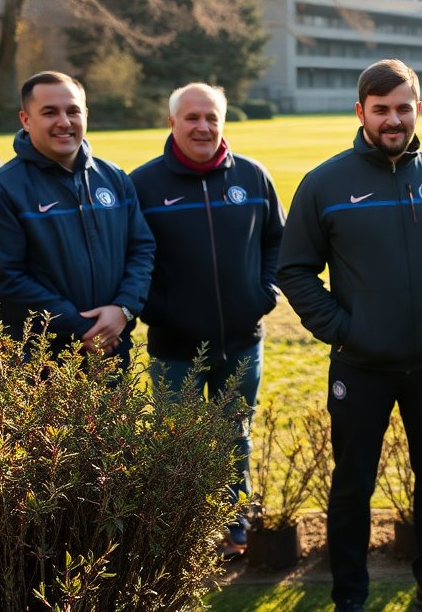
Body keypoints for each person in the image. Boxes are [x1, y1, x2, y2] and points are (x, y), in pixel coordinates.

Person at [277, 59, 422, 612]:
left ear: (418, 109)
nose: (392, 120)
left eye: (403, 108)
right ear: (361, 113)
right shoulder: (325, 183)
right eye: (381, 110)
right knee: (352, 487)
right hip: (360, 366)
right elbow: (295, 269)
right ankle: (350, 598)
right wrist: (343, 330)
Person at [130, 82, 286, 557]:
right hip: (174, 347)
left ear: (222, 121)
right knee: (175, 442)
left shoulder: (254, 178)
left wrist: (263, 294)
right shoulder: (143, 184)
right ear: (173, 122)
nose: (203, 126)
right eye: (192, 117)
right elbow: (131, 257)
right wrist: (160, 310)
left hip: (242, 340)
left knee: (235, 434)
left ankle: (233, 521)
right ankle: (183, 530)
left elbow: (278, 243)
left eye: (211, 117)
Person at [0, 71, 155, 365]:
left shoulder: (114, 178)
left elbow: (141, 248)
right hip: (41, 358)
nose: (64, 122)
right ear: (26, 119)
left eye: (73, 111)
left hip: (113, 349)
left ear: (86, 115)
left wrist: (123, 308)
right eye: (49, 112)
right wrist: (82, 329)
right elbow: (2, 279)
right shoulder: (1, 189)